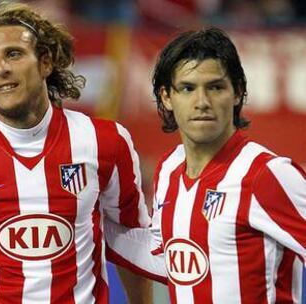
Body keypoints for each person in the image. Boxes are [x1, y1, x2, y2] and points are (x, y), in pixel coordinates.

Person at [0, 2, 151, 303]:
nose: (1, 68)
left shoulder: (106, 142)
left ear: (45, 62)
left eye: (14, 54)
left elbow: (132, 242)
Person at [105, 27, 306, 303]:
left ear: (237, 93)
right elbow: (169, 260)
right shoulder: (169, 169)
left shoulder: (266, 174)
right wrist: (87, 219)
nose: (202, 102)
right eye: (188, 88)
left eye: (215, 87)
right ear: (166, 97)